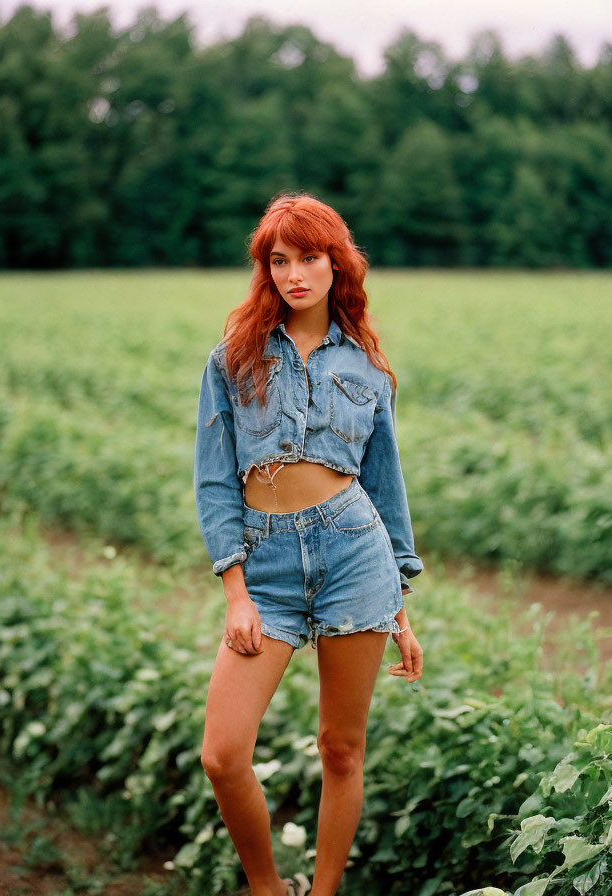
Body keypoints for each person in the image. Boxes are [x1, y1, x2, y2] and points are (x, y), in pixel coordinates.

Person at [194, 191, 424, 896]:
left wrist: (401, 607)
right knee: (224, 755)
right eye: (279, 259)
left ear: (336, 265)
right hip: (264, 566)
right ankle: (267, 888)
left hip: (356, 554)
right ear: (267, 269)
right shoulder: (232, 360)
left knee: (341, 749)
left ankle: (322, 893)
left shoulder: (368, 371)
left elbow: (386, 489)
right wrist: (235, 590)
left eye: (310, 257)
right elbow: (213, 483)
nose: (295, 273)